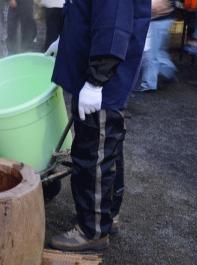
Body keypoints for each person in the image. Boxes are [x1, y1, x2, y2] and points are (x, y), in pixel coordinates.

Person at [45, 0, 150, 251]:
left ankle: (92, 231)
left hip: (102, 82)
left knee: (93, 154)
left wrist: (95, 81)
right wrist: (67, 39)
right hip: (99, 76)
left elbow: (113, 27)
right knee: (107, 148)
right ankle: (106, 216)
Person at [137, 0, 177, 92]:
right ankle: (168, 71)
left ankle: (149, 84)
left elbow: (156, 5)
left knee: (151, 53)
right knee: (158, 51)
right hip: (164, 18)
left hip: (157, 19)